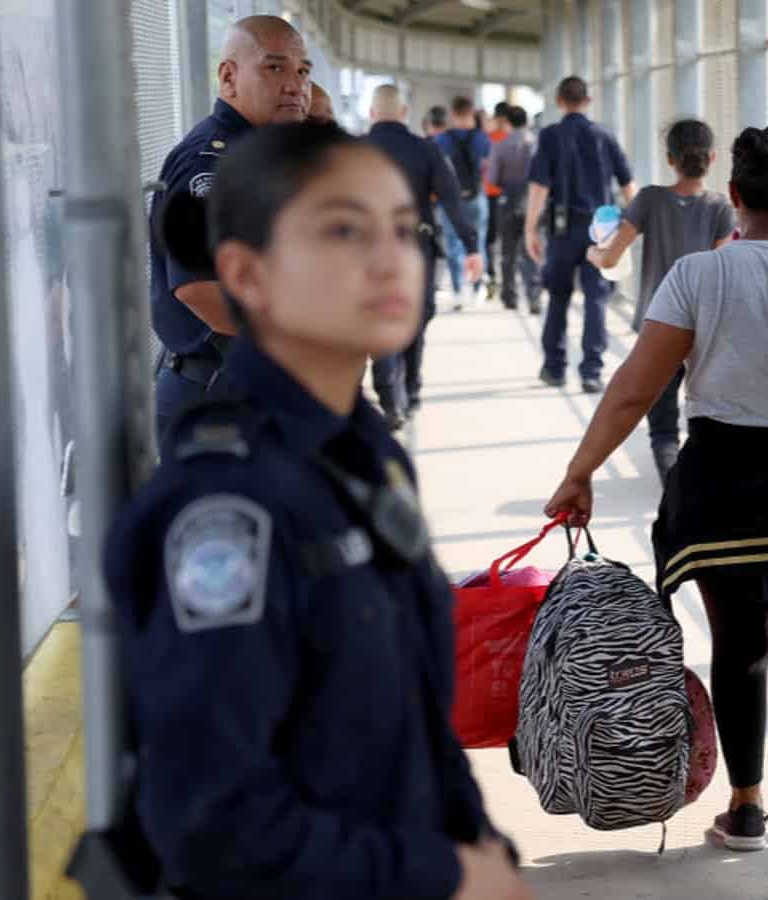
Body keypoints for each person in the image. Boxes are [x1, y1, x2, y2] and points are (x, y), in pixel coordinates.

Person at [114, 121, 529, 900]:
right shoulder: (229, 508)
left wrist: (482, 846)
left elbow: (416, 717)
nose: (390, 259)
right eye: (343, 230)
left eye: (403, 228)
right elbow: (212, 825)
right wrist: (441, 874)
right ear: (246, 273)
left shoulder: (367, 456)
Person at [544, 127, 768, 897]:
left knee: (738, 646)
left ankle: (747, 806)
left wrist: (580, 472)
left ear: (733, 196)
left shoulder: (698, 274)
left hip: (724, 483)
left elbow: (635, 388)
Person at [148, 15, 312, 444]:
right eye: (275, 67)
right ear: (228, 77)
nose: (296, 86)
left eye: (302, 71)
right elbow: (199, 288)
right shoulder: (211, 163)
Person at [585, 118, 736, 480]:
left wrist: (593, 254)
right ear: (713, 158)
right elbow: (725, 269)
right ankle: (703, 480)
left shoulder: (649, 199)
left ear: (670, 159)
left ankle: (671, 481)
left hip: (659, 324)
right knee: (707, 412)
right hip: (706, 325)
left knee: (663, 422)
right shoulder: (721, 207)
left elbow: (611, 258)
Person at [364, 84, 483, 427]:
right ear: (404, 113)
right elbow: (452, 200)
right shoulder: (426, 150)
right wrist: (472, 247)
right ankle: (411, 389)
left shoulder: (352, 151)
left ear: (372, 114)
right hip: (416, 248)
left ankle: (390, 396)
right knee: (414, 317)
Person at [524, 76, 636, 393]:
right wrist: (635, 227)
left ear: (559, 101)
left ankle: (554, 367)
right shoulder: (605, 136)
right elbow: (628, 185)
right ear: (588, 101)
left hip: (562, 229)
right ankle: (591, 371)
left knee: (558, 295)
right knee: (596, 297)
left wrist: (530, 229)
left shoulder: (550, 136)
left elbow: (539, 187)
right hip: (602, 231)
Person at [435, 96, 493, 310]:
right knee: (478, 242)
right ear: (471, 113)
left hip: (451, 200)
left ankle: (458, 290)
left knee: (453, 244)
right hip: (477, 197)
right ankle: (477, 289)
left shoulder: (442, 139)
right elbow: (487, 167)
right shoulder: (482, 138)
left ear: (453, 113)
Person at [490, 104, 543, 314]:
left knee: (508, 250)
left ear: (508, 122)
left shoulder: (500, 145)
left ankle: (510, 296)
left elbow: (493, 178)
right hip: (533, 199)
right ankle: (534, 296)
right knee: (533, 248)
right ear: (526, 121)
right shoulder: (537, 144)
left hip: (508, 199)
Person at [484, 101, 513, 291]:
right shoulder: (514, 139)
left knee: (490, 239)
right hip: (508, 195)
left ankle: (492, 276)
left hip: (490, 194)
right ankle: (503, 280)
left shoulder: (488, 138)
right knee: (507, 239)